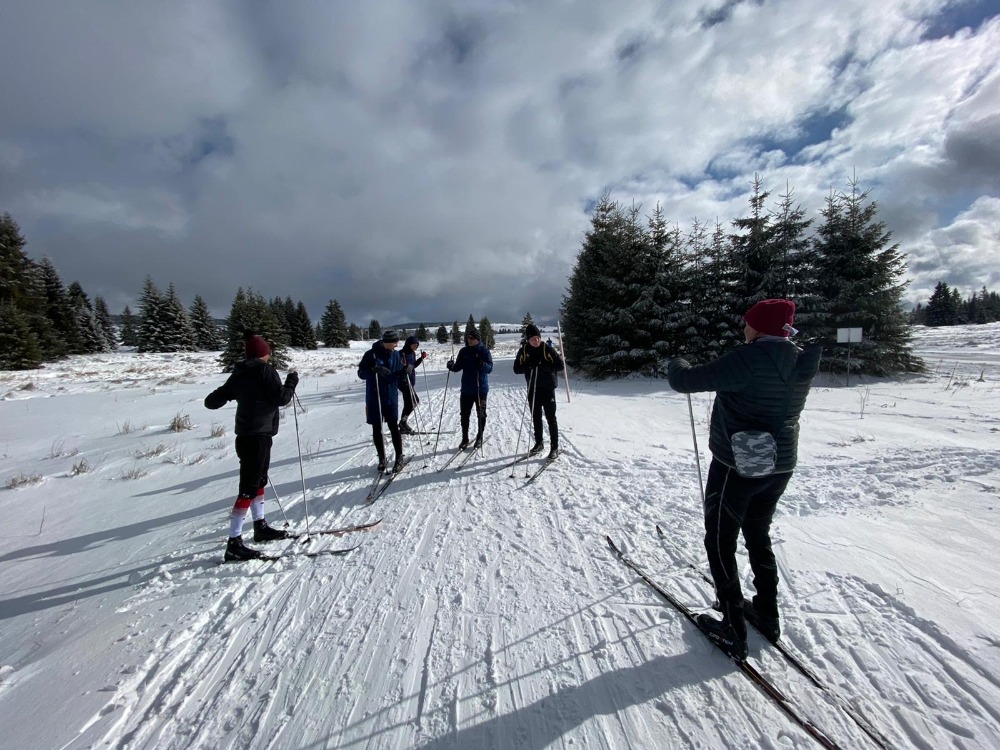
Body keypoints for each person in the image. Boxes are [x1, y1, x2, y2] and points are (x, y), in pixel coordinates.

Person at [666, 299, 821, 659]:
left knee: (719, 540)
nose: (743, 327)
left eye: (748, 322)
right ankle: (767, 612)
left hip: (737, 466)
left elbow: (684, 381)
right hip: (780, 464)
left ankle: (733, 629)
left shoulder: (747, 359)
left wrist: (677, 361)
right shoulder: (800, 358)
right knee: (757, 533)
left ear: (759, 326)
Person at [205, 330, 298, 562]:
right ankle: (234, 543)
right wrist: (291, 382)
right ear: (263, 354)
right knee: (248, 487)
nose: (269, 355)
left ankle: (260, 526)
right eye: (267, 352)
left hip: (247, 435)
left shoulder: (239, 373)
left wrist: (232, 394)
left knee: (258, 482)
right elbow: (281, 398)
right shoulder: (265, 370)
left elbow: (212, 402)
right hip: (258, 435)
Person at [357, 329, 407, 473]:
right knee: (377, 429)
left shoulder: (396, 355)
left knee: (393, 427)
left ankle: (399, 456)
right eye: (394, 342)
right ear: (386, 342)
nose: (396, 345)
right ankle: (382, 458)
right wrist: (373, 370)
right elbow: (361, 373)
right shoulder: (370, 355)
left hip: (390, 397)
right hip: (375, 397)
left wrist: (405, 371)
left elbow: (398, 372)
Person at [513, 323, 563, 459]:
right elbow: (516, 369)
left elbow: (560, 365)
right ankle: (539, 443)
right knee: (536, 417)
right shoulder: (524, 351)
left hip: (547, 388)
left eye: (538, 338)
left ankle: (554, 447)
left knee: (551, 418)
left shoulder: (547, 349)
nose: (536, 341)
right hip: (533, 388)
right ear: (528, 339)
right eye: (533, 339)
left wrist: (545, 366)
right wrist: (528, 365)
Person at [446, 327, 493, 449]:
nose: (469, 339)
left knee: (481, 414)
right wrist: (451, 366)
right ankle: (465, 439)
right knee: (464, 415)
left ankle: (479, 436)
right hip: (466, 389)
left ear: (477, 339)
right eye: (468, 337)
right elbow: (458, 367)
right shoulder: (464, 351)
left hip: (480, 389)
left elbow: (490, 368)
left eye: (472, 338)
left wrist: (482, 364)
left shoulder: (484, 351)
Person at [398, 335, 428, 434]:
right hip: (403, 382)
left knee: (408, 403)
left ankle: (403, 424)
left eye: (416, 345)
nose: (415, 347)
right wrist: (404, 369)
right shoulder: (400, 354)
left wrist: (421, 358)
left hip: (410, 381)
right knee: (414, 401)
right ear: (408, 344)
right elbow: (397, 368)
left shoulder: (412, 353)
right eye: (413, 345)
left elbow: (413, 365)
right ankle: (403, 423)